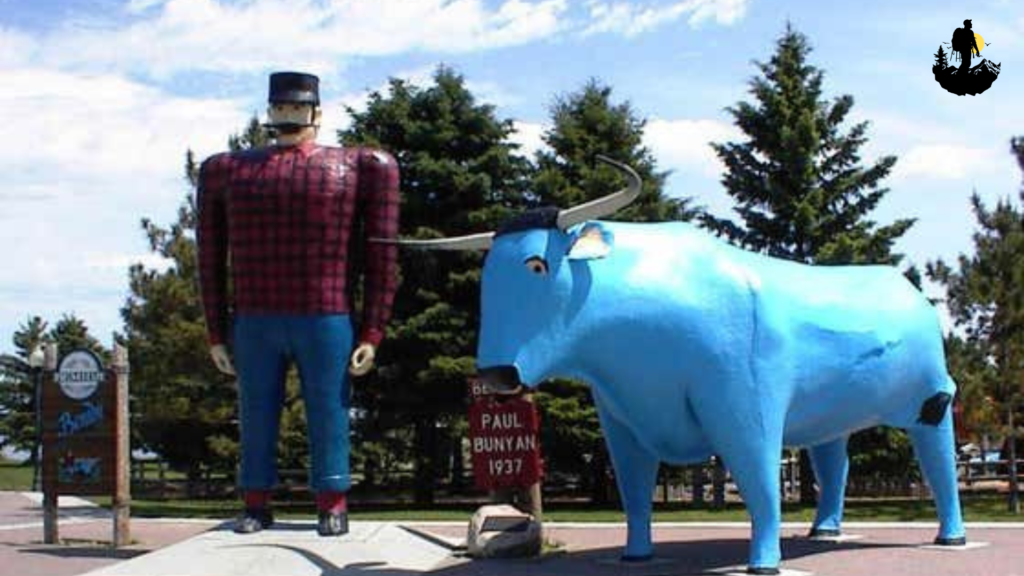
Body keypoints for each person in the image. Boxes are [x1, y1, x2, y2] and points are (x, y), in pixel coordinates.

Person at [196, 71, 400, 536]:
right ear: (270, 112)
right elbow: (208, 255)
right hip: (255, 316)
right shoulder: (226, 171)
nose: (287, 117)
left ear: (317, 113)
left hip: (325, 312)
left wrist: (373, 330)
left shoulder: (361, 167)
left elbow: (381, 253)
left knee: (330, 408)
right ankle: (255, 501)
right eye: (280, 108)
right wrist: (216, 331)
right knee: (255, 409)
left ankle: (332, 500)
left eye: (295, 108)